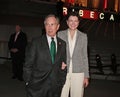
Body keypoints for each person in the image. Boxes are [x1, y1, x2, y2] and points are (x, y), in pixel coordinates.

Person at [23, 14, 67, 97]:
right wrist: (28, 81)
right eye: (47, 24)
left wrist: (61, 81)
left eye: (52, 24)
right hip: (36, 87)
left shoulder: (63, 44)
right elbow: (28, 64)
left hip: (55, 88)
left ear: (57, 26)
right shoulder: (36, 42)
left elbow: (63, 65)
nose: (49, 27)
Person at [58, 12, 89, 97]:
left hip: (79, 72)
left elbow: (84, 56)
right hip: (63, 71)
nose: (73, 23)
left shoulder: (83, 36)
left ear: (78, 22)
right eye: (71, 20)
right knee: (61, 94)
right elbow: (57, 53)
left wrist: (86, 76)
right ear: (67, 22)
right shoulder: (60, 34)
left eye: (75, 21)